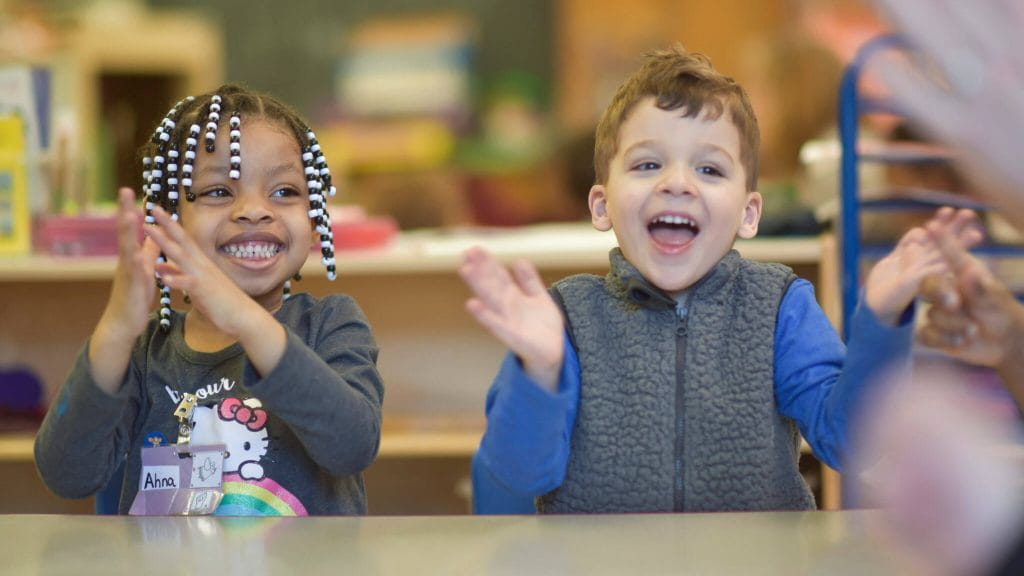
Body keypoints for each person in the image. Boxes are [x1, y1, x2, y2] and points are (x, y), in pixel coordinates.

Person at [458, 44, 979, 514]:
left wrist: (883, 322)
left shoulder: (779, 306)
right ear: (601, 204)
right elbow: (519, 474)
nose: (677, 184)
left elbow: (852, 442)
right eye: (647, 164)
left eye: (709, 170)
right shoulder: (567, 319)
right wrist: (541, 371)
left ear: (749, 215)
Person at [34, 84, 384, 516]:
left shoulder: (331, 324)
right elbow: (67, 475)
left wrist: (243, 318)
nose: (254, 210)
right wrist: (116, 329)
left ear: (316, 223)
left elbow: (351, 446)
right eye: (219, 191)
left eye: (285, 192)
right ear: (168, 221)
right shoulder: (146, 352)